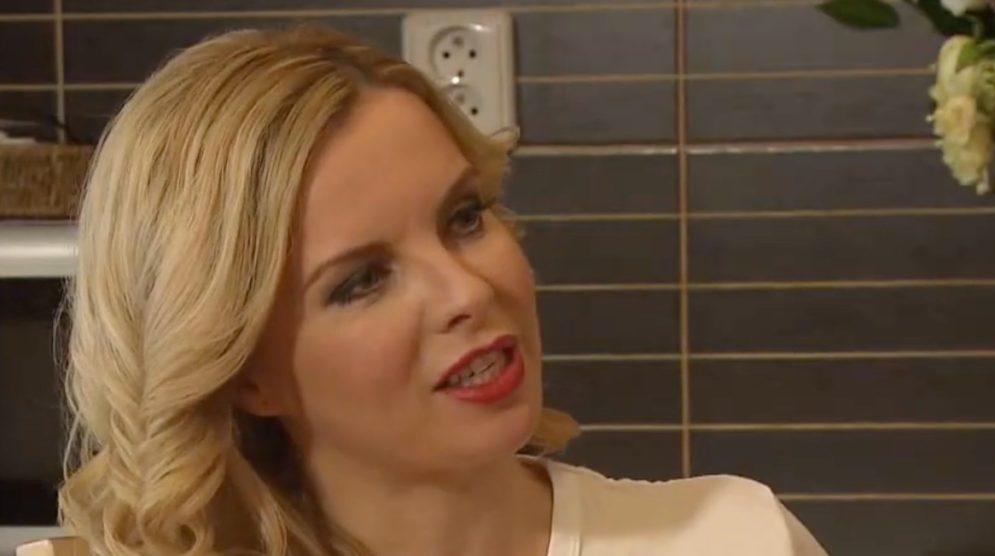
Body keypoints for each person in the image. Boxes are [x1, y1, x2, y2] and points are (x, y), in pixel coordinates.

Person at [57, 26, 829, 556]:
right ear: (246, 375)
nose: (468, 290)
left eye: (464, 218)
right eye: (362, 281)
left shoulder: (733, 539)